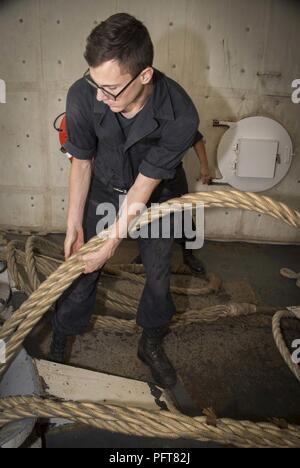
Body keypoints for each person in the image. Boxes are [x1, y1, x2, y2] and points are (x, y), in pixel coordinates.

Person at [50, 13, 201, 388]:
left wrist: (112, 243)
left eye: (111, 88)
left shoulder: (180, 113)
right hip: (104, 184)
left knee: (158, 273)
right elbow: (81, 163)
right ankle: (61, 331)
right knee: (82, 265)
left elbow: (143, 189)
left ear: (144, 75)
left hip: (157, 194)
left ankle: (149, 342)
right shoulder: (84, 93)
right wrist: (73, 224)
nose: (100, 95)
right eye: (94, 82)